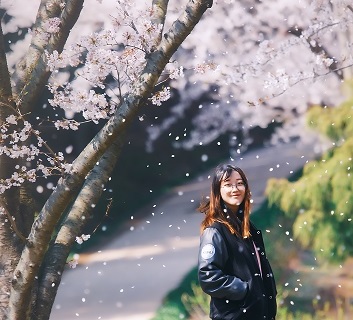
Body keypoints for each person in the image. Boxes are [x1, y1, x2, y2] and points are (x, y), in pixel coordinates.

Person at [197, 164, 277, 320]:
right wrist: (244, 290)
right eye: (228, 184)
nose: (235, 188)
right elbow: (208, 276)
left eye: (240, 183)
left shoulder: (249, 229)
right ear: (217, 191)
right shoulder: (215, 231)